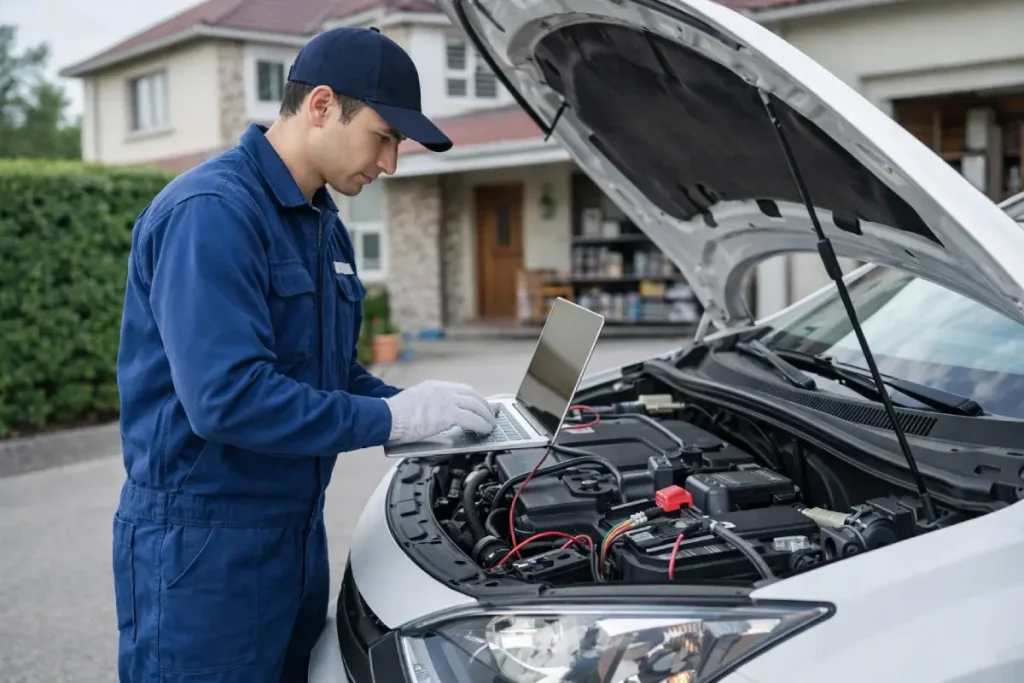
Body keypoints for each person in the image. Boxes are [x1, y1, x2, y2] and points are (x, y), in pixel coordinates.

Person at [111, 26, 498, 683]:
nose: (389, 163)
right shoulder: (213, 213)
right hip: (203, 552)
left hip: (293, 537)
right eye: (383, 136)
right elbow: (228, 399)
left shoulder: (321, 223)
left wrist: (422, 410)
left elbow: (327, 374)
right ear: (321, 105)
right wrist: (393, 420)